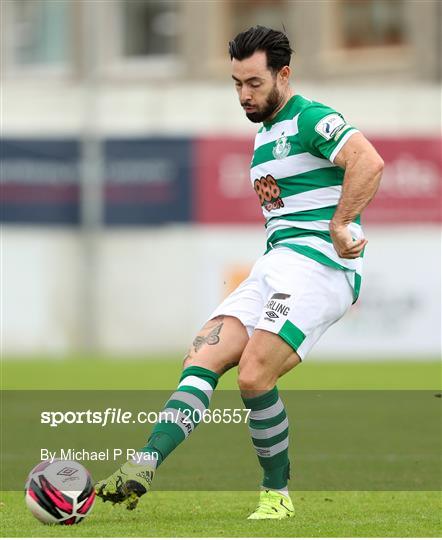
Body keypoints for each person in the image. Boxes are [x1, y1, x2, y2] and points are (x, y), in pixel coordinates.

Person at [96, 25, 384, 520]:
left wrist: (340, 223)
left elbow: (369, 161)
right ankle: (142, 463)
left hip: (318, 267)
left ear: (283, 74)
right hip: (275, 265)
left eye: (253, 83)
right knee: (203, 353)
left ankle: (277, 496)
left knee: (253, 376)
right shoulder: (264, 136)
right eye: (236, 84)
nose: (243, 94)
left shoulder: (311, 118)